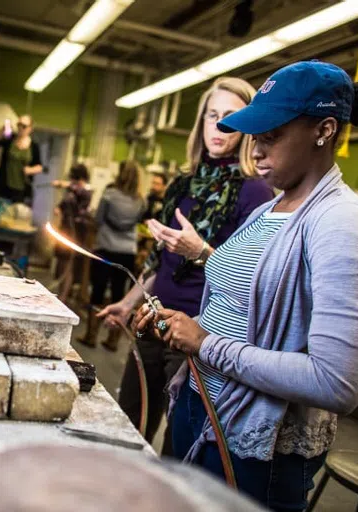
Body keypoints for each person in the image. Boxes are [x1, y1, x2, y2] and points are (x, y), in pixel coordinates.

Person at [132, 61, 358, 510]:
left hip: (254, 446)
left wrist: (206, 345)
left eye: (270, 137)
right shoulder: (265, 212)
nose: (257, 151)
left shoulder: (343, 222)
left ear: (323, 130)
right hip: (201, 407)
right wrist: (183, 324)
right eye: (254, 138)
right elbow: (236, 307)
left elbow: (338, 382)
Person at [97, 77, 274, 455]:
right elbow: (160, 259)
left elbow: (251, 276)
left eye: (231, 117)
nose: (220, 126)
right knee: (129, 423)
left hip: (197, 333)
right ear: (201, 121)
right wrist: (129, 303)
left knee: (178, 444)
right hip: (152, 319)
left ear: (247, 126)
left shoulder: (255, 190)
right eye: (212, 115)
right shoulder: (184, 182)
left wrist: (202, 250)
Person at [79, 161, 145, 350]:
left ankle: (91, 335)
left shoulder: (109, 195)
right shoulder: (140, 201)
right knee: (119, 294)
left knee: (98, 292)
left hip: (106, 248)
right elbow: (138, 222)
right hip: (127, 251)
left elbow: (98, 220)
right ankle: (113, 339)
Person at [53, 164, 93, 303]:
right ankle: (59, 294)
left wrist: (64, 184)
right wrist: (59, 207)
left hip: (76, 231)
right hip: (65, 228)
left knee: (69, 264)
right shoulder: (73, 190)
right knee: (62, 262)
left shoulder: (86, 189)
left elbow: (81, 193)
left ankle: (63, 298)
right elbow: (65, 203)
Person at [0, 114, 45, 204]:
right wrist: (2, 129)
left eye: (24, 126)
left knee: (15, 214)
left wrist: (30, 170)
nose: (20, 128)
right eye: (19, 125)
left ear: (30, 129)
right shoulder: (10, 138)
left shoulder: (34, 146)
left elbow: (39, 167)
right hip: (3, 185)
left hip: (21, 189)